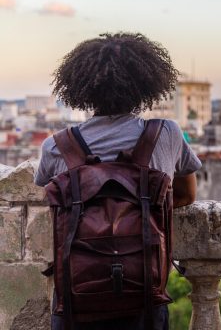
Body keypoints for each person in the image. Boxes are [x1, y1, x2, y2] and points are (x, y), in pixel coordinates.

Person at [34, 32, 202, 330]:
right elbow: (187, 195)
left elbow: (49, 197)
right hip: (143, 293)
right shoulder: (166, 133)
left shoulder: (57, 146)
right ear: (145, 87)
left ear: (81, 90)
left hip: (76, 298)